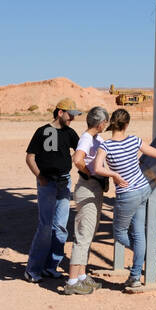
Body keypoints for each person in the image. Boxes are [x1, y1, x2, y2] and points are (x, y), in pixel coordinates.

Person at [97, 108, 156, 293]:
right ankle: (134, 276)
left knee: (120, 233)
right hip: (143, 189)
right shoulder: (134, 140)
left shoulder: (106, 146)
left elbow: (97, 167)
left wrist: (113, 174)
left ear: (112, 123)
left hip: (127, 194)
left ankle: (150, 257)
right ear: (127, 124)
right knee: (138, 233)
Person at [65, 106, 128, 296]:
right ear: (101, 123)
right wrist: (91, 174)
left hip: (94, 188)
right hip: (88, 188)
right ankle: (72, 281)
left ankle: (82, 276)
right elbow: (77, 160)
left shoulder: (95, 138)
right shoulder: (86, 138)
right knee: (83, 235)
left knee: (89, 232)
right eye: (105, 122)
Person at [24, 98, 82, 283]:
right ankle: (32, 270)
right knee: (45, 227)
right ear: (60, 112)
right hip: (47, 184)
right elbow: (30, 157)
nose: (72, 119)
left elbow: (80, 150)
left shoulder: (70, 133)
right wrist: (40, 176)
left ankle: (51, 266)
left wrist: (71, 160)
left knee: (61, 228)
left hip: (64, 183)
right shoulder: (42, 132)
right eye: (70, 115)